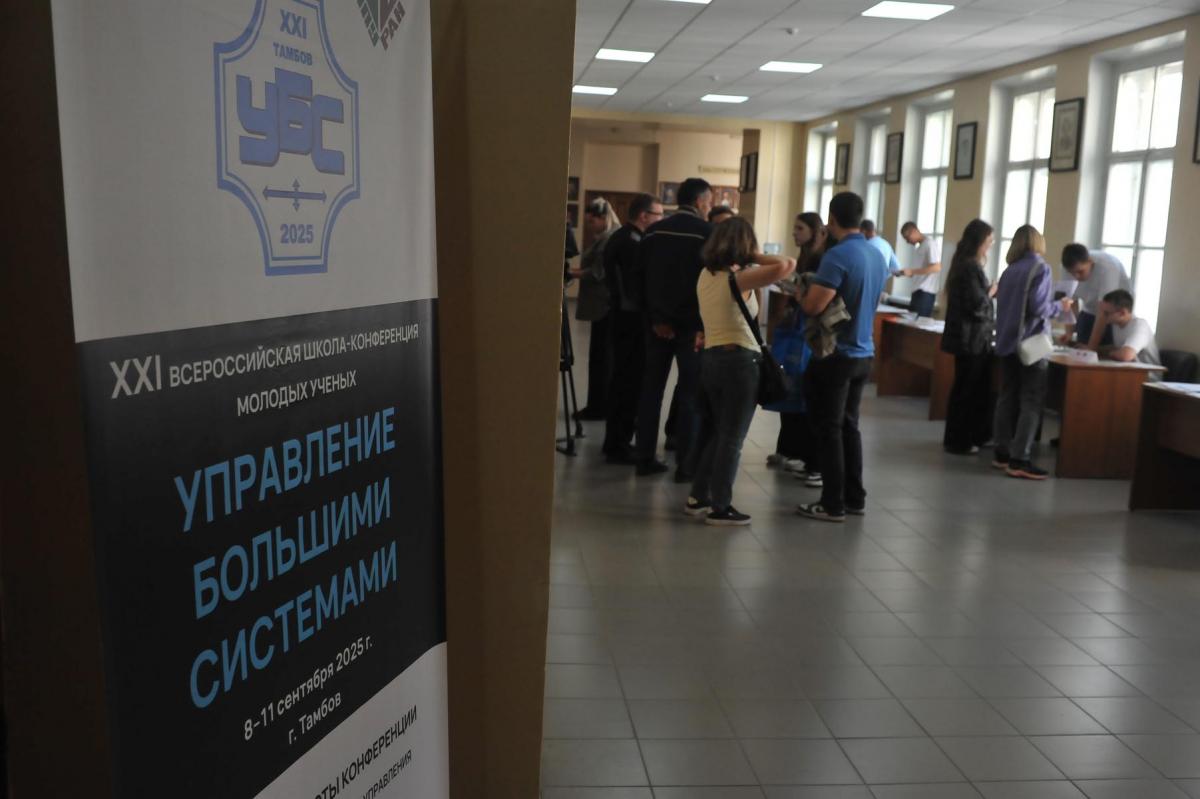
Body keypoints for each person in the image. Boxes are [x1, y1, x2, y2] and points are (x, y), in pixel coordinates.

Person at [686, 218, 796, 525]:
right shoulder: (739, 278)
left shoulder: (706, 275)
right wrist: (753, 255)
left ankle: (698, 497)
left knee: (717, 432)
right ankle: (720, 506)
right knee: (732, 438)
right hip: (739, 363)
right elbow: (788, 264)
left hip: (711, 360)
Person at [796, 192, 889, 522]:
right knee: (849, 426)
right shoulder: (876, 253)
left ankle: (832, 502)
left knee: (829, 428)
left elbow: (814, 305)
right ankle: (854, 497)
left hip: (836, 354)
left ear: (831, 219)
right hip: (864, 351)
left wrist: (800, 292)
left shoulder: (837, 256)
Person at [633, 177, 714, 479]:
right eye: (708, 202)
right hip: (693, 328)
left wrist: (656, 319)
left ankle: (644, 458)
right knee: (691, 395)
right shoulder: (707, 233)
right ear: (699, 201)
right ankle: (686, 465)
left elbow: (638, 280)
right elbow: (711, 284)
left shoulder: (653, 232)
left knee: (651, 390)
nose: (709, 208)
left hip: (657, 327)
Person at [992, 225, 1072, 481]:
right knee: (1031, 401)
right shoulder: (1041, 268)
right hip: (1031, 344)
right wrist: (1060, 306)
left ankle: (1002, 452)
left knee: (1007, 397)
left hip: (1006, 341)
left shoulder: (1009, 270)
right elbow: (1039, 308)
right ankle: (1020, 459)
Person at [601, 193, 664, 463]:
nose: (661, 220)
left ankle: (617, 441)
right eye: (659, 215)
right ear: (644, 216)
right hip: (630, 322)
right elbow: (633, 288)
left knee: (625, 382)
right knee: (628, 384)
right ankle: (619, 444)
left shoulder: (626, 238)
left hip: (624, 318)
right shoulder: (630, 242)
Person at [766, 211, 826, 485]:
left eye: (800, 228)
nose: (794, 233)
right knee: (786, 386)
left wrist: (796, 291)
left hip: (806, 332)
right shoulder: (803, 257)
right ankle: (787, 447)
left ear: (815, 231)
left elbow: (812, 296)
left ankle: (800, 452)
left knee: (800, 390)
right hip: (793, 327)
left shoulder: (821, 259)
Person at [941, 219, 996, 455]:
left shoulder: (962, 264)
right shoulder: (970, 267)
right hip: (972, 339)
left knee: (967, 388)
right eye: (989, 241)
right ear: (979, 242)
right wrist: (991, 292)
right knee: (967, 390)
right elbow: (977, 305)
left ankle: (968, 436)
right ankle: (960, 440)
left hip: (968, 338)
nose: (990, 246)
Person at [569, 198, 622, 421]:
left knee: (602, 360)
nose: (590, 226)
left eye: (592, 221)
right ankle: (599, 405)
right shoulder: (606, 237)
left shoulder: (609, 238)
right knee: (600, 358)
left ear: (603, 218)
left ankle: (598, 407)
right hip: (602, 306)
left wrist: (571, 273)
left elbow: (598, 272)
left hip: (604, 307)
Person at [1061, 244, 1133, 350]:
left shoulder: (1107, 268)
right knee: (1079, 349)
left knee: (1101, 352)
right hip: (1089, 309)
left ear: (1090, 261)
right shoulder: (1066, 268)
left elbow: (1103, 310)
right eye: (1072, 273)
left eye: (1080, 272)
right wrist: (1069, 334)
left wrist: (1091, 347)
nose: (1076, 277)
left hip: (1113, 314)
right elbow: (1070, 302)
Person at [1094, 289, 1162, 367]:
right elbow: (1117, 348)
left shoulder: (1140, 326)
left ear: (1122, 313)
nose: (1102, 316)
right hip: (1128, 370)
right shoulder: (1115, 325)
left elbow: (1126, 355)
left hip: (1148, 373)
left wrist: (1109, 353)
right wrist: (1093, 350)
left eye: (1106, 313)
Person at [899, 221, 942, 317]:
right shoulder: (920, 247)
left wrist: (912, 271)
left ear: (914, 231)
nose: (907, 242)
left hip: (925, 292)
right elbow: (921, 271)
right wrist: (908, 273)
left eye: (907, 238)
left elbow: (936, 267)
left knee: (918, 323)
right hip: (917, 291)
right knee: (911, 322)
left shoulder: (930, 244)